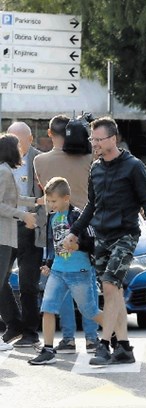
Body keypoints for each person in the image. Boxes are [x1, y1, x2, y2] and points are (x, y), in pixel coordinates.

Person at [64, 117, 146, 366]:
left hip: (125, 235)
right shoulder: (96, 168)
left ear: (113, 139)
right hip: (102, 237)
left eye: (98, 139)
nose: (94, 144)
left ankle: (104, 344)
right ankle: (125, 347)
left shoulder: (133, 166)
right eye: (92, 139)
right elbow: (91, 206)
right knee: (115, 292)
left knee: (109, 285)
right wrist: (74, 231)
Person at [33, 114, 98, 354]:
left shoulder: (40, 161)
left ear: (50, 134)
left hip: (57, 224)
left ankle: (68, 338)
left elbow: (47, 189)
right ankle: (92, 338)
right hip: (87, 224)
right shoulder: (90, 158)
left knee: (63, 284)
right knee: (87, 284)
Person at [27, 177, 104, 365]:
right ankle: (47, 349)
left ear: (66, 198)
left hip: (79, 271)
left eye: (53, 201)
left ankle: (117, 335)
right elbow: (53, 245)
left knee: (89, 310)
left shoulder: (77, 216)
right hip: (58, 271)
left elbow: (92, 242)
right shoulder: (53, 218)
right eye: (48, 201)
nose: (50, 205)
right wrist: (49, 263)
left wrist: (78, 247)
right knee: (47, 308)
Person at [3, 122, 46, 349]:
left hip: (30, 228)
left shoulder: (40, 160)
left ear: (30, 140)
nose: (17, 147)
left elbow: (48, 196)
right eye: (13, 141)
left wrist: (37, 217)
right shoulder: (3, 163)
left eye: (20, 142)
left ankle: (30, 331)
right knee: (1, 279)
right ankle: (13, 323)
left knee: (28, 283)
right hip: (6, 227)